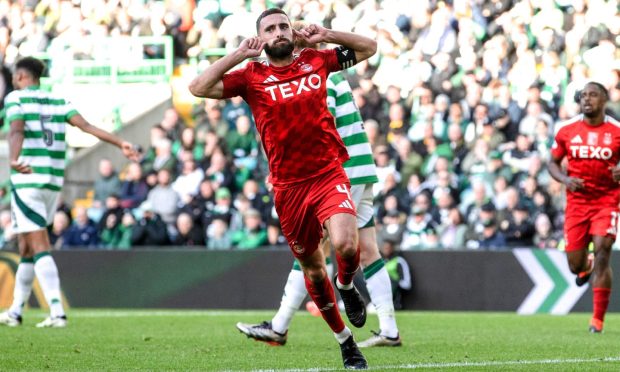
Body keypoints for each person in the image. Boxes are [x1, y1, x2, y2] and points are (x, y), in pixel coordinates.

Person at [189, 8, 376, 369]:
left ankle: (349, 285)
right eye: (270, 29)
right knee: (313, 270)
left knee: (346, 245)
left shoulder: (316, 60)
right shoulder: (250, 76)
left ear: (292, 33)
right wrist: (239, 54)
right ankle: (345, 341)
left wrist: (326, 35)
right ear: (261, 38)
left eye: (283, 27)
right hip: (289, 189)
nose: (278, 33)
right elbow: (197, 87)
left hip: (327, 174)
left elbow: (369, 47)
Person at [235, 21, 402, 348]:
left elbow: (311, 129)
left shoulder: (311, 76)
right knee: (366, 250)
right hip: (361, 166)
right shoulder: (331, 72)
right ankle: (390, 328)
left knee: (315, 250)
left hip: (339, 170)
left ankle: (280, 324)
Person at [0, 57, 138, 328]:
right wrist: (120, 142)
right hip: (52, 182)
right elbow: (87, 127)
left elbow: (16, 129)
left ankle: (56, 311)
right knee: (26, 246)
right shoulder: (58, 101)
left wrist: (14, 158)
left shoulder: (16, 99)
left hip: (28, 180)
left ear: (19, 77)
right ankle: (16, 311)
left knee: (39, 244)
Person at [548, 81, 620, 333]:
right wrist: (565, 179)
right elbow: (552, 163)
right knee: (574, 265)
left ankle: (597, 320)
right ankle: (584, 266)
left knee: (603, 250)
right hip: (577, 203)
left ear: (604, 100)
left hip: (607, 201)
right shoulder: (566, 130)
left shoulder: (617, 131)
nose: (586, 99)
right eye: (583, 96)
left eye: (593, 95)